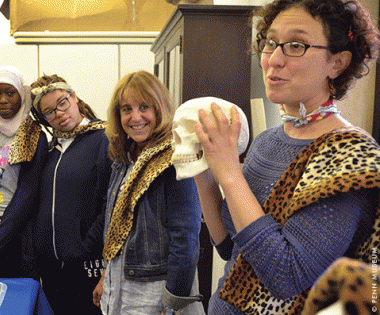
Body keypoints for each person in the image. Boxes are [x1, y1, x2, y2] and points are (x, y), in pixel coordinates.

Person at [191, 0, 380, 314]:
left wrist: (228, 171)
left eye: (296, 45)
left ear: (338, 63)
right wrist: (202, 171)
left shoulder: (352, 157)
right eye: (270, 43)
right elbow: (230, 248)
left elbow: (286, 275)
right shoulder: (267, 141)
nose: (273, 60)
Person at [93, 70, 205, 315]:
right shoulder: (124, 157)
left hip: (154, 293)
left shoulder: (174, 158)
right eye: (126, 109)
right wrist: (105, 276)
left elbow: (185, 240)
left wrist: (172, 303)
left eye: (144, 107)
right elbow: (115, 228)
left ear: (159, 109)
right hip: (119, 286)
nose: (135, 117)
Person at [27, 74, 112, 315]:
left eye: (62, 103)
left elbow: (112, 204)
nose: (59, 114)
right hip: (52, 268)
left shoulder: (104, 138)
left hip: (87, 265)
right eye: (49, 112)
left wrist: (86, 245)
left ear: (73, 97)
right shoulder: (50, 148)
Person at [0, 66, 47, 279]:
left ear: (22, 94)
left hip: (13, 238)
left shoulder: (34, 135)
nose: (3, 100)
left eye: (10, 93)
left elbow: (27, 196)